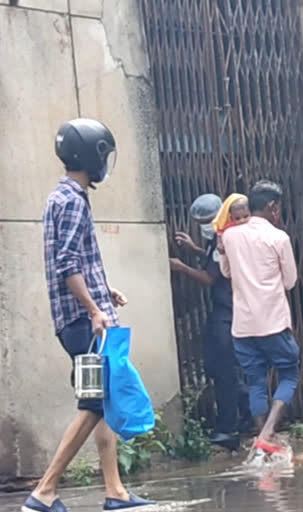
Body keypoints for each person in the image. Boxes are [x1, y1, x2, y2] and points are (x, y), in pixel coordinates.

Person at [25, 119, 155, 512]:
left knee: (101, 401)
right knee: (94, 400)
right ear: (90, 155)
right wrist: (94, 309)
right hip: (84, 324)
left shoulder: (64, 197)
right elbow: (67, 264)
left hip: (82, 317)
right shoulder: (71, 201)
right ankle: (45, 491)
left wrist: (103, 292)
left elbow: (74, 260)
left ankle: (115, 490)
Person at [218, 180, 299, 454]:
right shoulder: (279, 238)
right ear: (273, 207)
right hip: (273, 322)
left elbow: (227, 273)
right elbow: (289, 281)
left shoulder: (230, 237)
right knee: (288, 374)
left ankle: (261, 439)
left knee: (256, 381)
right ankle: (266, 434)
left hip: (243, 326)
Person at [169, 194, 252, 450]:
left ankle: (229, 429)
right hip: (226, 310)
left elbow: (210, 277)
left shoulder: (224, 239)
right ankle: (247, 417)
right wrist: (195, 249)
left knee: (225, 371)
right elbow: (211, 260)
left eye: (208, 220)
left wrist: (181, 267)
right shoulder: (216, 238)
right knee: (220, 367)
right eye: (201, 222)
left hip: (229, 311)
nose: (205, 225)